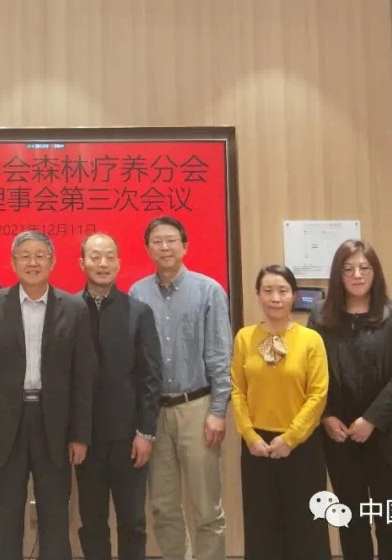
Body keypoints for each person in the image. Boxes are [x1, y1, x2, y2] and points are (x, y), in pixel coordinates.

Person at [0, 231, 95, 560]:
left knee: (55, 514)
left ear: (52, 262)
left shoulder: (74, 308)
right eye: (25, 255)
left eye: (40, 255)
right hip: (6, 425)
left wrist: (80, 435)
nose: (33, 262)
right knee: (6, 515)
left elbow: (83, 378)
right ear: (13, 263)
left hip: (55, 424)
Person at [307, 239, 392, 560]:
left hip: (387, 433)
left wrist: (371, 419)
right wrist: (326, 415)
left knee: (390, 521)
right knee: (350, 520)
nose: (357, 275)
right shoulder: (320, 315)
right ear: (337, 274)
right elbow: (312, 372)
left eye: (364, 268)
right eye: (348, 268)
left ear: (375, 272)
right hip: (339, 435)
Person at [129, 216, 231, 560]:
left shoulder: (208, 290)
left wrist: (218, 411)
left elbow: (220, 356)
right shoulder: (138, 293)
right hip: (154, 412)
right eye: (157, 241)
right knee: (163, 505)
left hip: (197, 407)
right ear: (148, 249)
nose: (165, 247)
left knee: (206, 507)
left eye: (171, 240)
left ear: (185, 246)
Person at [231, 264, 331, 560]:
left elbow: (318, 394)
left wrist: (291, 438)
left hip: (301, 445)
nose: (275, 298)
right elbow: (238, 390)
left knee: (306, 528)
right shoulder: (245, 338)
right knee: (262, 526)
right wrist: (249, 435)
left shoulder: (310, 339)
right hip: (257, 447)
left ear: (294, 296)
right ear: (258, 295)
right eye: (268, 291)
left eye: (283, 291)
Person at [75, 232, 163, 560]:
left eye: (110, 257)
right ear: (82, 263)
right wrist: (73, 434)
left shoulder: (138, 312)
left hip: (129, 438)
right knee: (92, 522)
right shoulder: (69, 309)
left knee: (133, 522)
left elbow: (150, 377)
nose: (103, 263)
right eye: (95, 257)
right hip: (85, 439)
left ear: (119, 263)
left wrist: (145, 432)